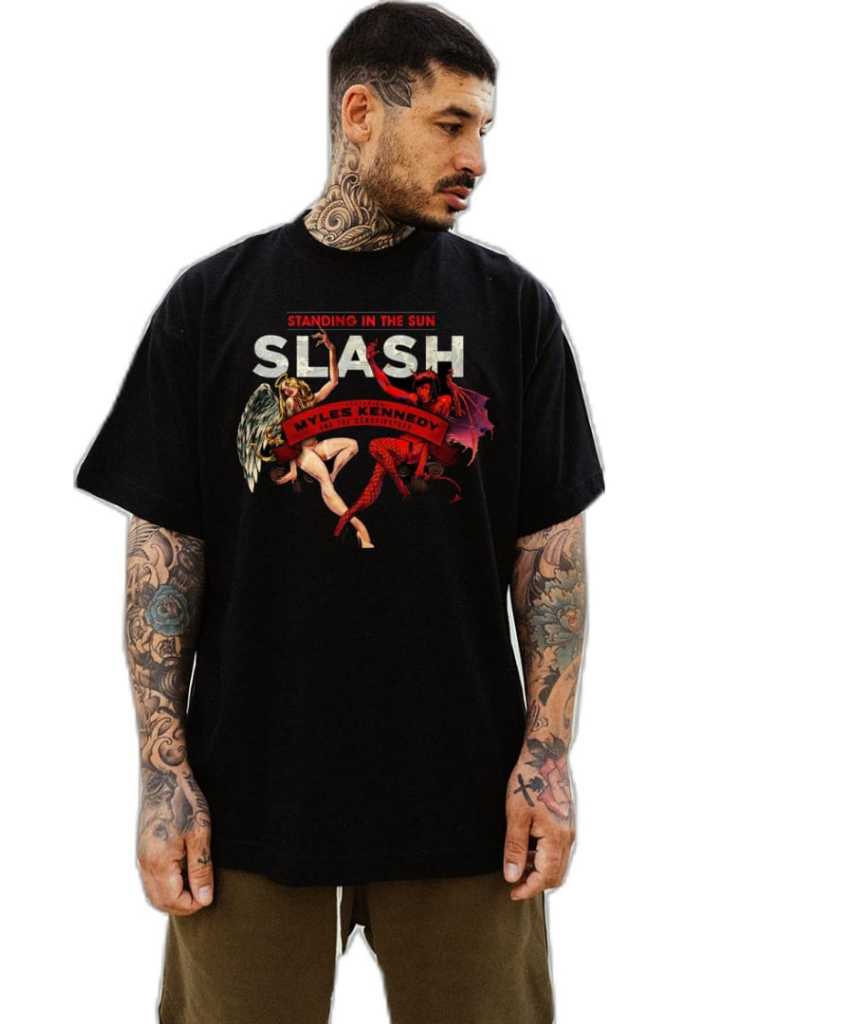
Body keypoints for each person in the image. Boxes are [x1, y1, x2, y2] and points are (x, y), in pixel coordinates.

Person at [74, 3, 605, 1021]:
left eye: (484, 130)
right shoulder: (214, 303)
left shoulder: (511, 309)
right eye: (451, 124)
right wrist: (162, 775)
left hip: (466, 808)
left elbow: (551, 561)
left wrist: (547, 759)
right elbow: (163, 563)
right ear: (360, 112)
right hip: (248, 807)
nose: (477, 158)